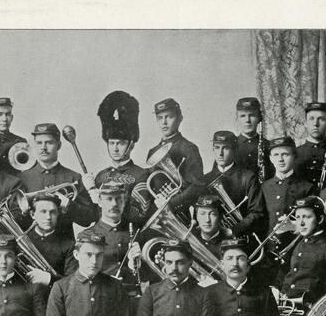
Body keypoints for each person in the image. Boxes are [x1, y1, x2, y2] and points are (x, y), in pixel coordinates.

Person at [18, 123, 98, 237]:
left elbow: (88, 219)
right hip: (31, 246)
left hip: (64, 247)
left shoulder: (73, 177)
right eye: (39, 143)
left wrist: (68, 204)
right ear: (34, 145)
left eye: (49, 142)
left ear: (59, 145)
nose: (43, 148)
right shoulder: (23, 178)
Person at [89, 90, 149, 226]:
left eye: (120, 143)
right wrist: (88, 191)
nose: (115, 148)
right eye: (111, 143)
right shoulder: (101, 175)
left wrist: (100, 200)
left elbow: (138, 215)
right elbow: (91, 217)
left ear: (131, 145)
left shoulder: (141, 175)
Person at [145, 98, 205, 223]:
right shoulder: (153, 152)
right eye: (160, 118)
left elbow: (197, 186)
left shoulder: (189, 148)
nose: (164, 122)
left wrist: (170, 203)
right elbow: (151, 187)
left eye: (169, 117)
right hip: (160, 215)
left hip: (182, 215)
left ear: (180, 118)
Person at [81, 181, 143, 295]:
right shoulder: (86, 236)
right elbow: (83, 276)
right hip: (100, 296)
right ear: (99, 202)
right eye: (109, 199)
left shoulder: (136, 234)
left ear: (124, 202)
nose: (114, 204)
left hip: (131, 296)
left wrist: (135, 266)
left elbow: (146, 276)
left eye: (119, 199)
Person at [202, 130, 265, 238]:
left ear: (235, 150)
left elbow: (257, 212)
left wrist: (234, 230)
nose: (220, 153)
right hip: (211, 239)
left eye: (225, 148)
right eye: (217, 148)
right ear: (213, 149)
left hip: (238, 238)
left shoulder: (248, 177)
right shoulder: (205, 179)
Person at [23, 193, 76, 289]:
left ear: (58, 214)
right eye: (43, 212)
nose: (48, 217)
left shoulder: (69, 245)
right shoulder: (23, 241)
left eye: (52, 212)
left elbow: (73, 284)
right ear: (32, 214)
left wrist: (49, 279)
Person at [234, 97, 273, 181]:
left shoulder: (269, 146)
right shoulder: (230, 146)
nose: (247, 120)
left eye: (252, 115)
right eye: (242, 116)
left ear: (259, 118)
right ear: (237, 119)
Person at [295, 102, 326, 188]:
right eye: (311, 119)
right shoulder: (295, 154)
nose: (315, 123)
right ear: (305, 123)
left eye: (321, 119)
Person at [0, 97, 27, 173]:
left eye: (8, 114)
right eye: (0, 114)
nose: (4, 119)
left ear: (12, 117)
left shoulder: (20, 142)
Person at [191, 194, 234, 259]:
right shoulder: (190, 236)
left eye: (212, 214)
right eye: (202, 214)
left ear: (220, 217)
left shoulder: (230, 244)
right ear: (197, 217)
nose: (207, 220)